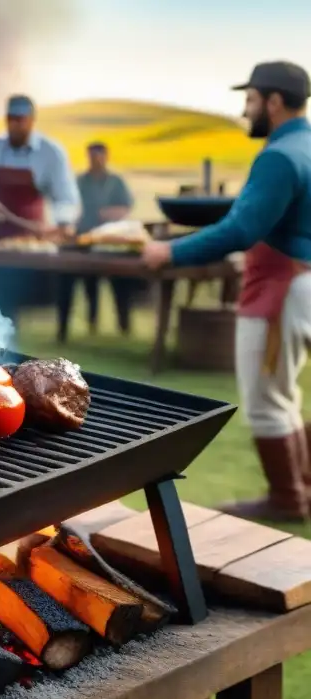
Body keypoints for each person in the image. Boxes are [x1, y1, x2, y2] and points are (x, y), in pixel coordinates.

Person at [141, 61, 311, 522]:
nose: (245, 108)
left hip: (280, 290)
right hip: (300, 283)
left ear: (273, 101)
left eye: (251, 99)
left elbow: (241, 227)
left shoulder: (278, 156)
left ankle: (287, 498)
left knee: (265, 398)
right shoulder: (307, 146)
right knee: (284, 393)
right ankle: (303, 487)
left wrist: (169, 252)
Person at [0, 95, 80, 316]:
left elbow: (66, 197)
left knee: (22, 300)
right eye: (12, 118)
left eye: (21, 119)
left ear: (32, 120)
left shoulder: (50, 153)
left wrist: (63, 222)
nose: (16, 124)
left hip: (33, 242)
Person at [57, 141, 137, 341]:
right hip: (84, 239)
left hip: (111, 241)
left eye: (100, 156)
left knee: (120, 284)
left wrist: (108, 214)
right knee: (75, 281)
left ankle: (124, 326)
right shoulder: (80, 182)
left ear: (106, 157)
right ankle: (69, 328)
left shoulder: (115, 182)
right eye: (92, 156)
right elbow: (69, 206)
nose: (96, 160)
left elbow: (125, 207)